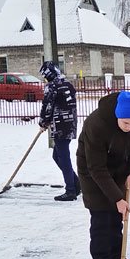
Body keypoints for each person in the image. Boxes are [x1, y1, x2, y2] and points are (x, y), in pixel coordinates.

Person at [76, 90, 130, 259]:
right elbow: (96, 167)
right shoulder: (96, 124)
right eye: (126, 123)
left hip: (118, 170)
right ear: (117, 114)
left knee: (117, 217)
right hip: (92, 173)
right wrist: (117, 197)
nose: (129, 127)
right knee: (101, 220)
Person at [38, 61, 80, 201]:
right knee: (57, 156)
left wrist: (43, 122)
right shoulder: (67, 84)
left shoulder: (52, 87)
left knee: (63, 158)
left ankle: (70, 191)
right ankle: (76, 184)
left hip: (60, 126)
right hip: (70, 125)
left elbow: (47, 106)